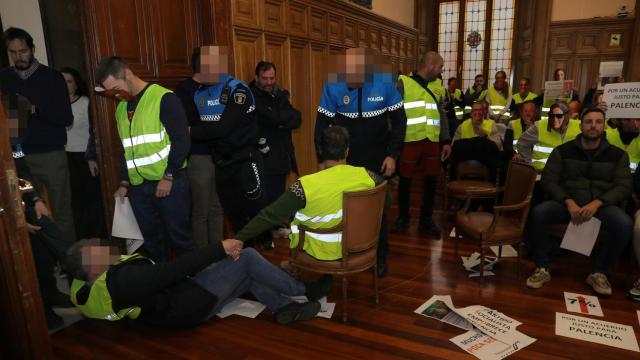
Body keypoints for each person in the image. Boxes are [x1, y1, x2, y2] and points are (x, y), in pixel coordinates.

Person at [66, 238, 331, 327]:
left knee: (247, 272)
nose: (100, 243)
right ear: (92, 266)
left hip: (180, 302)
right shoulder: (124, 283)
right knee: (248, 257)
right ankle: (305, 290)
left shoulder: (88, 286)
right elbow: (174, 271)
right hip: (189, 304)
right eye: (95, 247)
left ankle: (283, 306)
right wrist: (219, 249)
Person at [314, 47, 407, 276]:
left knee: (378, 208)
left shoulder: (385, 83)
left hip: (378, 157)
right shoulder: (334, 85)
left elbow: (399, 122)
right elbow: (320, 127)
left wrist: (393, 155)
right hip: (346, 158)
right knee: (346, 207)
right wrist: (323, 160)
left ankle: (380, 255)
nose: (349, 83)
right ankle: (349, 251)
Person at [231, 126, 383, 261]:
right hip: (359, 245)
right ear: (347, 151)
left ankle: (298, 271)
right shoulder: (368, 175)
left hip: (319, 251)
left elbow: (269, 215)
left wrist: (238, 238)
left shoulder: (304, 186)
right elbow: (385, 200)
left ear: (320, 151)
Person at [96, 56, 194, 262]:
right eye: (109, 91)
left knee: (180, 240)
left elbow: (181, 140)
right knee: (153, 243)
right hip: (139, 188)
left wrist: (169, 176)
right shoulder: (122, 108)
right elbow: (127, 150)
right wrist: (124, 182)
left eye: (115, 88)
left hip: (169, 184)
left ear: (128, 74)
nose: (114, 94)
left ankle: (197, 286)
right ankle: (164, 287)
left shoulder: (164, 98)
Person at [525, 107, 632, 296]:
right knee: (539, 212)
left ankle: (599, 272)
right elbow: (549, 180)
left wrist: (597, 203)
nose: (593, 126)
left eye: (598, 122)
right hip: (568, 203)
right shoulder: (562, 151)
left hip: (601, 206)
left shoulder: (618, 155)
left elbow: (623, 186)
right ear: (581, 125)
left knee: (624, 223)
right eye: (589, 122)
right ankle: (541, 267)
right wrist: (568, 201)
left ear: (604, 126)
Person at [0, 27, 76, 242]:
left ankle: (71, 267)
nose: (18, 56)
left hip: (51, 154)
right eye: (13, 52)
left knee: (62, 213)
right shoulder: (3, 78)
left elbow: (66, 119)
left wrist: (34, 109)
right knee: (30, 215)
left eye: (22, 51)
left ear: (32, 49)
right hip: (17, 156)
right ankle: (46, 268)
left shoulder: (52, 77)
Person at [6, 94, 75, 329]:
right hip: (8, 214)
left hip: (22, 203)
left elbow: (21, 171)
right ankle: (41, 313)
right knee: (28, 264)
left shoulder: (13, 142)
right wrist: (16, 220)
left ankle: (53, 294)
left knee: (47, 251)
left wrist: (35, 198)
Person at [190, 46, 267, 243]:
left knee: (255, 208)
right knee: (234, 213)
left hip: (245, 161)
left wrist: (188, 131)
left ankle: (265, 243)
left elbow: (222, 129)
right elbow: (209, 131)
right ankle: (247, 252)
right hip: (221, 164)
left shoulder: (238, 90)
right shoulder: (198, 94)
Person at [392, 51, 452, 236]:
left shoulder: (438, 85)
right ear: (431, 65)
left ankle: (426, 220)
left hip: (432, 142)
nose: (441, 70)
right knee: (405, 181)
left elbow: (442, 114)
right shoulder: (403, 82)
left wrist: (446, 140)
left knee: (431, 182)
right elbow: (394, 113)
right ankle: (403, 217)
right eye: (440, 67)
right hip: (410, 140)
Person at [174, 48, 224, 248]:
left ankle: (219, 251)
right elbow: (187, 126)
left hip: (219, 155)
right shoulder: (184, 89)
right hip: (198, 156)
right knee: (201, 210)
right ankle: (204, 258)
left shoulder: (219, 87)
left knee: (217, 207)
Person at [250, 61, 302, 247]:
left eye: (272, 78)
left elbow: (296, 118)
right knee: (265, 197)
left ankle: (276, 227)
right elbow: (273, 117)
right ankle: (264, 235)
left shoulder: (280, 94)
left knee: (278, 195)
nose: (269, 82)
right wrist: (281, 119)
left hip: (282, 153)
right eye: (265, 78)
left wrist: (281, 120)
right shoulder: (252, 95)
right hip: (263, 155)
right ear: (257, 78)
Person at [61, 67, 106, 239]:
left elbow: (94, 131)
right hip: (65, 158)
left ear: (76, 84)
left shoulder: (86, 102)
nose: (65, 85)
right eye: (62, 81)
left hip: (85, 157)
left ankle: (99, 238)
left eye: (69, 81)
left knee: (92, 200)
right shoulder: (56, 105)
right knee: (74, 202)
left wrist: (91, 157)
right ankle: (82, 241)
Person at [516, 102, 581, 170]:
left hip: (568, 174)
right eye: (551, 115)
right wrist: (529, 163)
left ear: (568, 115)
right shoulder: (540, 126)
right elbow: (522, 144)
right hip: (541, 172)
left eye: (559, 116)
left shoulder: (579, 126)